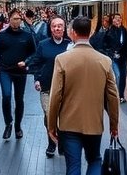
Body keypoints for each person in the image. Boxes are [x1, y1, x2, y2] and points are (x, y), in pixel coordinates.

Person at [47, 16, 119, 175]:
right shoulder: (104, 61)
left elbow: (55, 96)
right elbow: (113, 97)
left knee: (73, 166)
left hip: (69, 123)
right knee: (94, 160)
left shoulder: (62, 59)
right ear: (91, 32)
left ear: (72, 33)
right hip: (94, 123)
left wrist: (52, 125)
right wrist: (114, 124)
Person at [0, 7, 37, 140]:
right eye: (14, 19)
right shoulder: (2, 35)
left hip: (20, 72)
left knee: (19, 99)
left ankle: (17, 125)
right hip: (5, 70)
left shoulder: (26, 36)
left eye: (19, 19)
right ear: (9, 19)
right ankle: (8, 123)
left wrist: (26, 62)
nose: (17, 21)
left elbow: (34, 53)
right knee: (6, 96)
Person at [27, 15, 71, 158]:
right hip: (46, 87)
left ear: (64, 28)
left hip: (66, 88)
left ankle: (62, 143)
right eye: (54, 26)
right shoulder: (43, 44)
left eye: (60, 26)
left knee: (63, 117)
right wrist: (37, 79)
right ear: (50, 28)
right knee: (49, 116)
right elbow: (35, 63)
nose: (57, 28)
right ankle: (52, 143)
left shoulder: (70, 45)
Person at [99, 12, 127, 102]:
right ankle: (115, 95)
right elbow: (105, 45)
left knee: (123, 77)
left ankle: (121, 95)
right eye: (116, 18)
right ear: (112, 20)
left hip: (123, 58)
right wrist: (112, 53)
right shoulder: (109, 32)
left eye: (119, 18)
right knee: (117, 75)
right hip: (113, 58)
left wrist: (126, 55)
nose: (118, 20)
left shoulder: (124, 31)